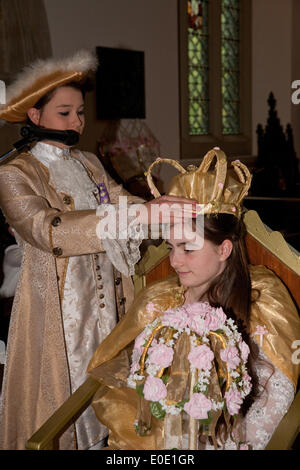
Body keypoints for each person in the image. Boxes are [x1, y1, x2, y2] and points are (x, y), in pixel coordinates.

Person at [0, 50, 195, 450]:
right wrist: (137, 216)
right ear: (34, 117)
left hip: (109, 306)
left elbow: (124, 203)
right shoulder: (14, 173)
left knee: (110, 393)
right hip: (57, 311)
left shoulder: (88, 162)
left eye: (80, 113)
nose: (77, 123)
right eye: (64, 113)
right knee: (65, 400)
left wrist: (174, 207)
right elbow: (47, 230)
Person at [87, 149, 300, 450]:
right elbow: (128, 378)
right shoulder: (160, 300)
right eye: (171, 247)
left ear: (224, 250)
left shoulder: (262, 298)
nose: (174, 261)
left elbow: (276, 392)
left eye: (188, 248)